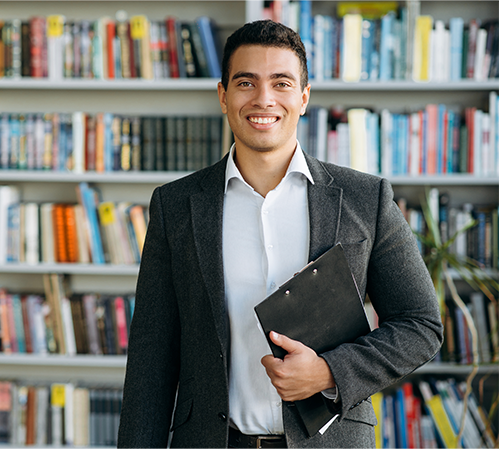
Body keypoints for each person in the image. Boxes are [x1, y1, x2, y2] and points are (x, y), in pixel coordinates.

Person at [117, 20, 443, 449]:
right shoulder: (175, 206)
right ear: (223, 96)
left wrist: (330, 371)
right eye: (246, 82)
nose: (263, 99)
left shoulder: (367, 199)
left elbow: (420, 325)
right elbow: (150, 362)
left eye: (282, 83)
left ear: (304, 98)